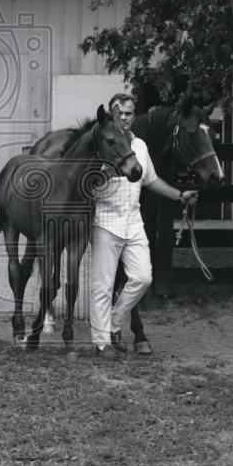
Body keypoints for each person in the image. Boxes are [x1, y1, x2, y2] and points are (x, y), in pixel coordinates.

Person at [90, 92, 198, 359]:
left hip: (133, 221)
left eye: (128, 113)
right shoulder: (102, 144)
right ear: (113, 115)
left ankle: (114, 323)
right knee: (103, 284)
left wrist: (178, 195)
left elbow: (151, 180)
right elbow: (86, 185)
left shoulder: (140, 146)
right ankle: (102, 342)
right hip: (106, 221)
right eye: (120, 113)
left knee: (143, 277)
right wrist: (102, 174)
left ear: (134, 116)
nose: (124, 118)